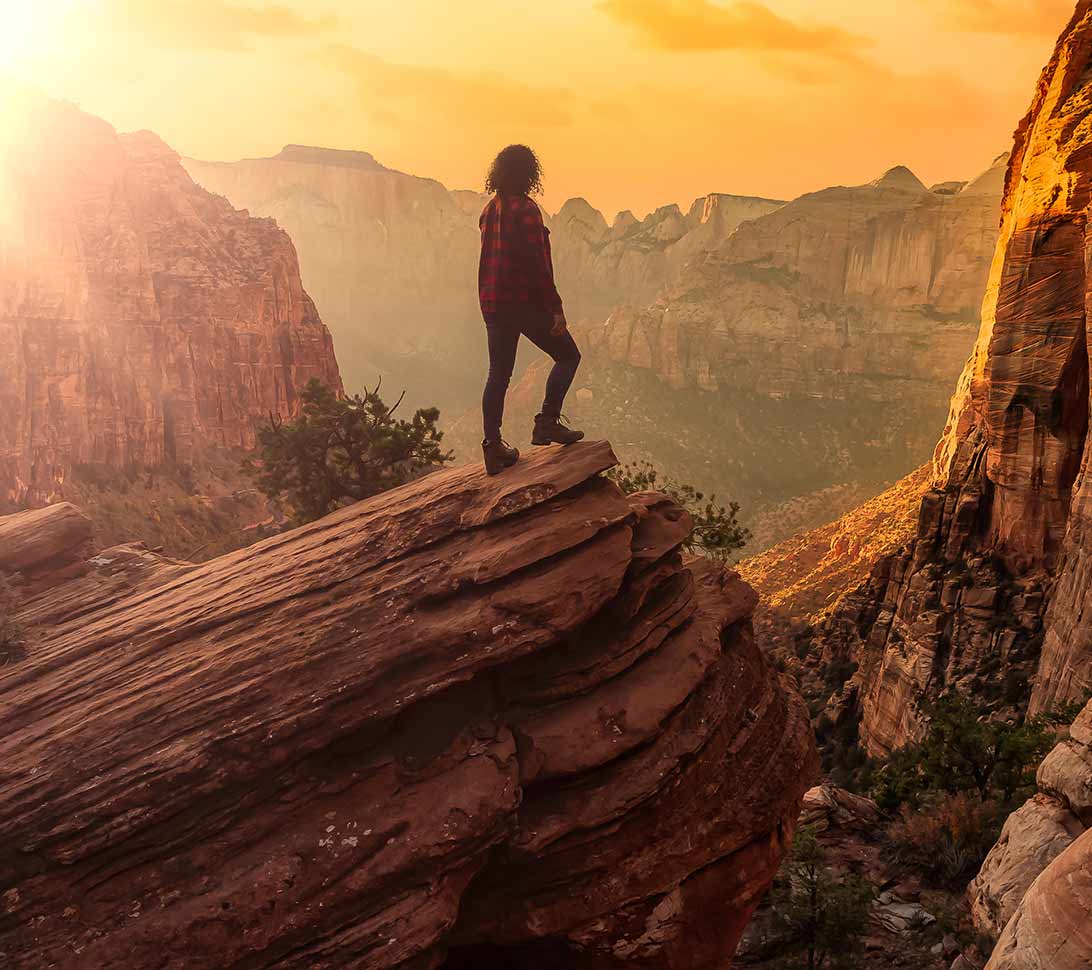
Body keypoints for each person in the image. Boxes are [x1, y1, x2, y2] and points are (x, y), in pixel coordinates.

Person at [478, 144, 584, 476]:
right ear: (529, 173)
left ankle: (492, 447)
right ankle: (547, 422)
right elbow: (538, 266)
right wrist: (555, 307)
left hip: (493, 304)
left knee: (498, 375)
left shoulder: (488, 210)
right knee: (568, 356)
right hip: (523, 303)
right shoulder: (526, 210)